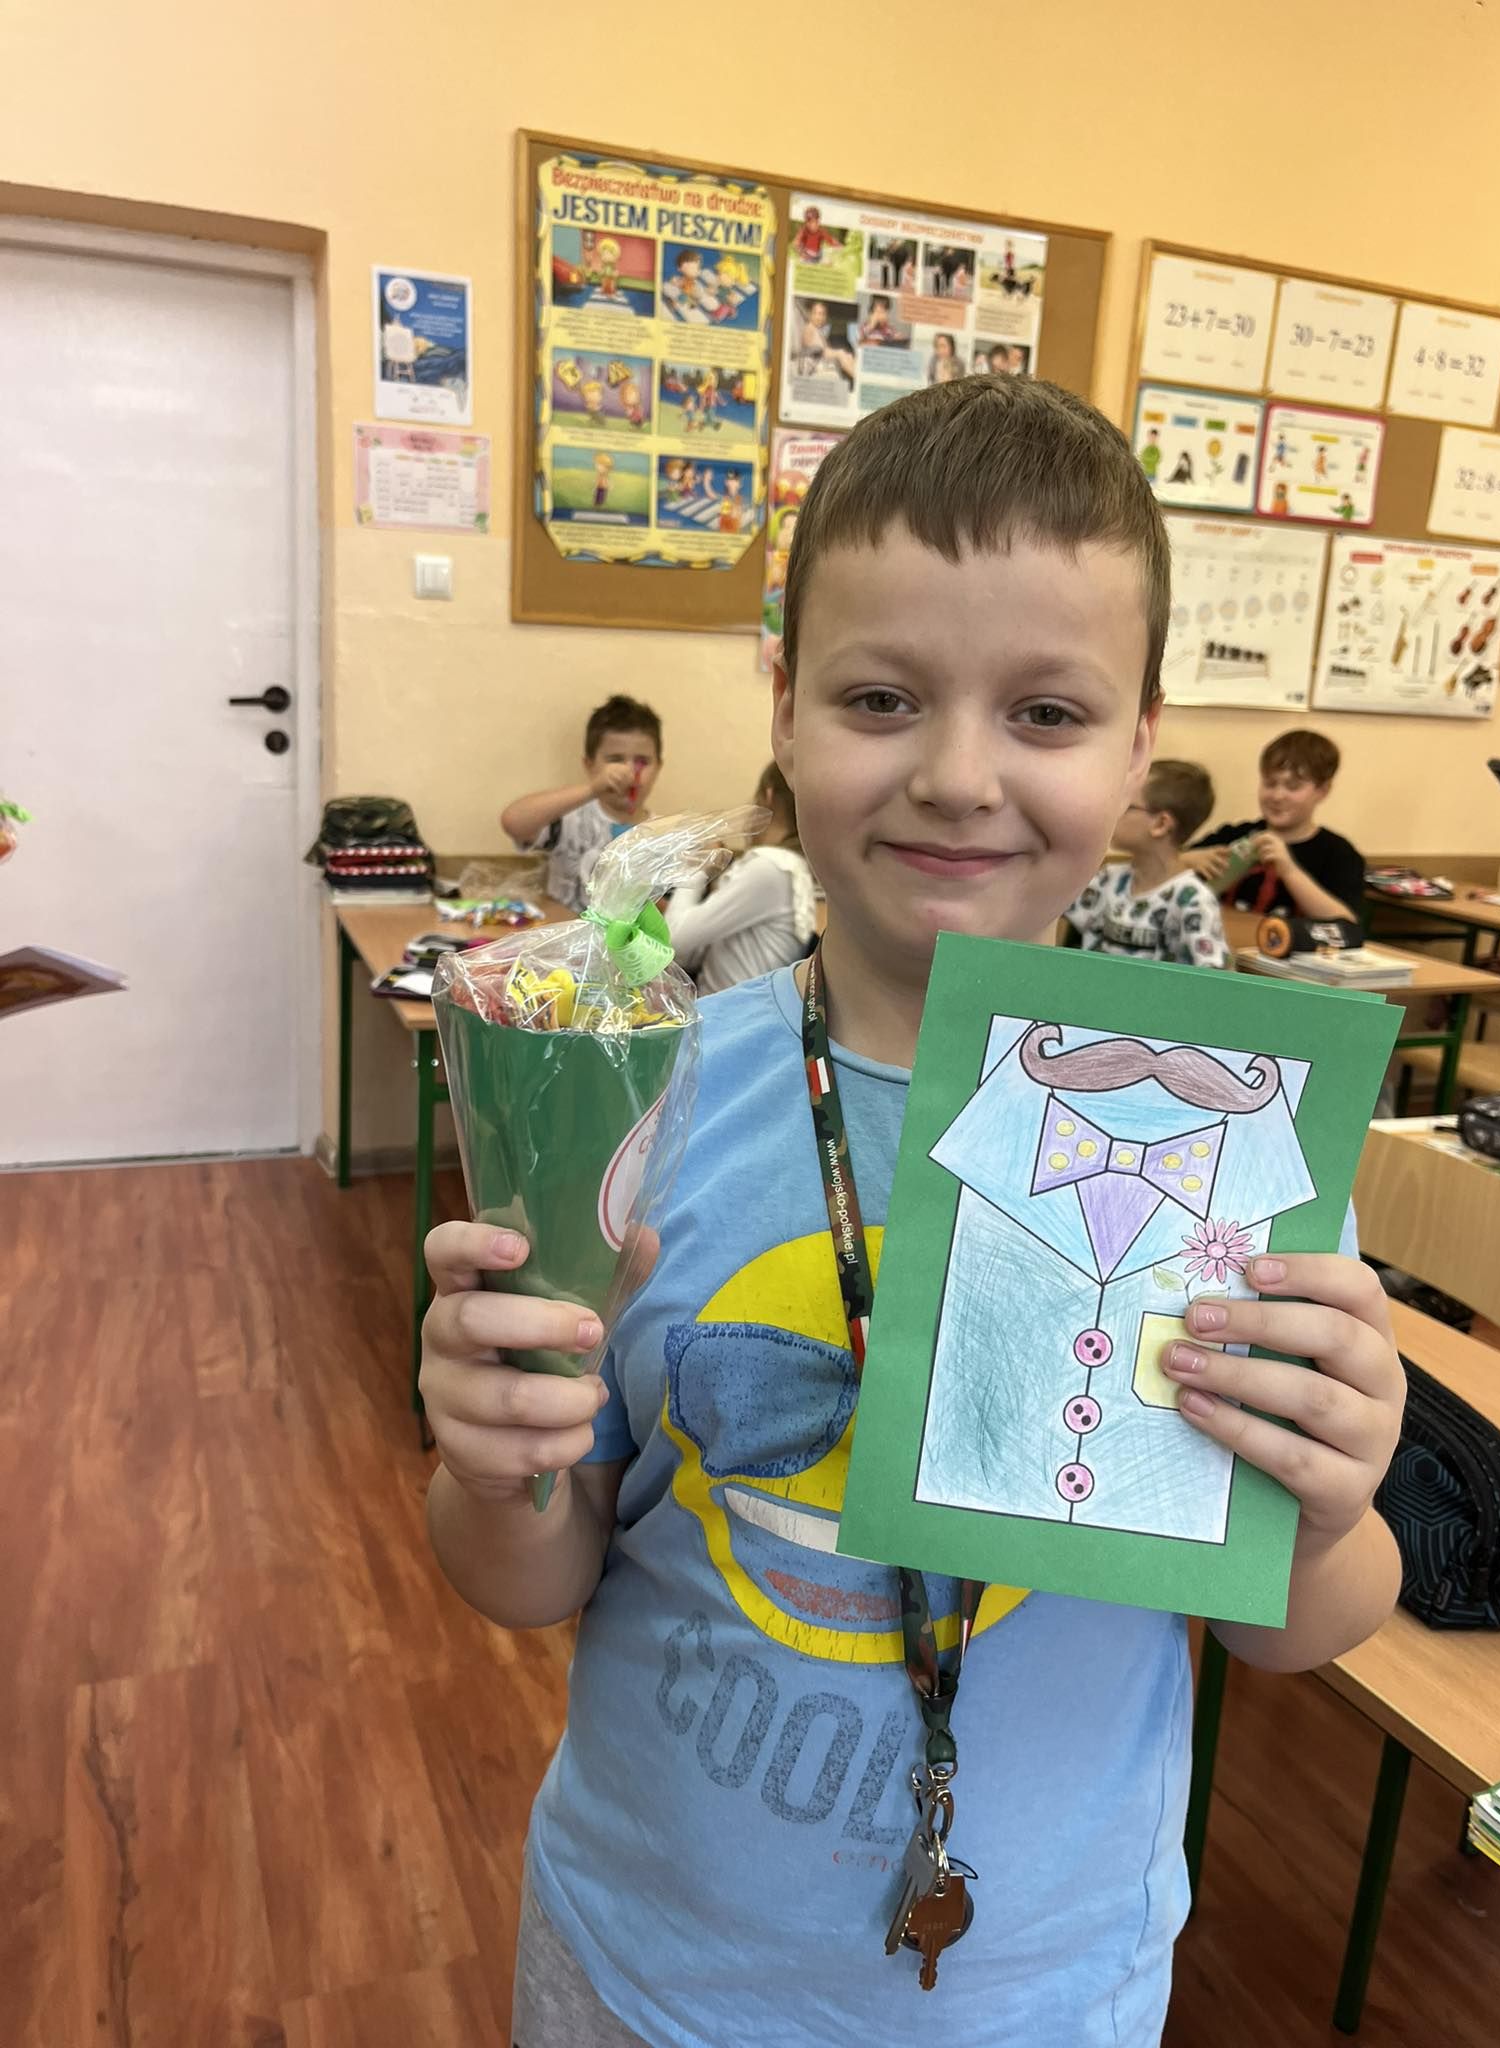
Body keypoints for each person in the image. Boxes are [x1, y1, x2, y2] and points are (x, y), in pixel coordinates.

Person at [425, 377, 1404, 2047]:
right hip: (648, 1969)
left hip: (1046, 1995)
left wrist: (1323, 1514)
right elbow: (527, 1577)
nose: (957, 776)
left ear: (1140, 742)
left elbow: (1294, 1627)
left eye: (1047, 713)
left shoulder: (1231, 1134)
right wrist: (491, 1457)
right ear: (785, 705)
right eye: (881, 698)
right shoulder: (640, 1097)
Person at [499, 694, 661, 912]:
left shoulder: (664, 835)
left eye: (642, 762)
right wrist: (592, 789)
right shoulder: (570, 821)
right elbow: (513, 821)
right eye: (615, 760)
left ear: (658, 767)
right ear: (590, 766)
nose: (629, 772)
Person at [666, 763, 818, 994]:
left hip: (725, 1011)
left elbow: (671, 942)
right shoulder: (791, 867)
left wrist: (698, 868)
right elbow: (690, 953)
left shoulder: (769, 867)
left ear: (768, 796)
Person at [1065, 758, 1229, 966]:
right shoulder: (1108, 879)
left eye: (1126, 805)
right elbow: (1046, 909)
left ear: (1161, 824)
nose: (1114, 811)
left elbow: (1213, 976)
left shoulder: (1193, 901)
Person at [1189, 729, 1366, 920]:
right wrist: (1188, 860)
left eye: (1293, 786)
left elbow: (1347, 923)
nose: (1277, 796)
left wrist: (1289, 871)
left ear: (1323, 790)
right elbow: (1172, 871)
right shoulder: (1233, 835)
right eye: (1270, 783)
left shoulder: (1339, 854)